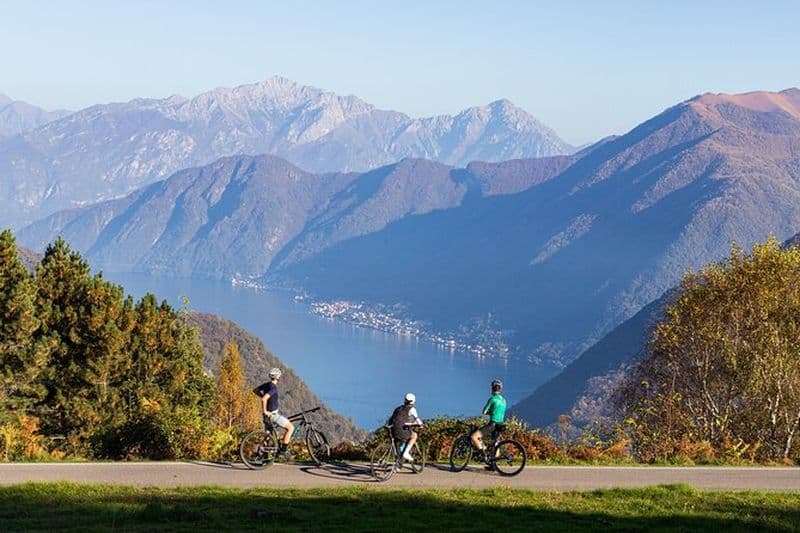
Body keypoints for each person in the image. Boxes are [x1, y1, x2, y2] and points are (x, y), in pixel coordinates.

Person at [254, 367, 294, 458]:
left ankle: (264, 456)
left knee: (268, 435)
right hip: (272, 415)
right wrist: (265, 411)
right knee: (290, 428)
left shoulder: (267, 385)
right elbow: (264, 399)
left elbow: (255, 390)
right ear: (278, 377)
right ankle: (283, 451)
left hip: (266, 416)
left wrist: (262, 396)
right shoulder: (274, 388)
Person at [470, 379, 506, 462]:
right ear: (500, 389)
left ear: (492, 388)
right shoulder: (504, 400)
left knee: (474, 437)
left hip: (493, 424)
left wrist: (490, 412)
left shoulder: (492, 399)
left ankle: (483, 455)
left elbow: (484, 411)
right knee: (495, 443)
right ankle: (493, 464)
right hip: (500, 424)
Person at [387, 393, 423, 461]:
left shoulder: (398, 408)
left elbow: (393, 419)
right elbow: (417, 420)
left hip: (392, 430)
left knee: (400, 440)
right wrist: (421, 425)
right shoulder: (412, 409)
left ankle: (398, 463)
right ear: (413, 401)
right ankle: (406, 453)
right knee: (414, 435)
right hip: (401, 431)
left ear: (405, 400)